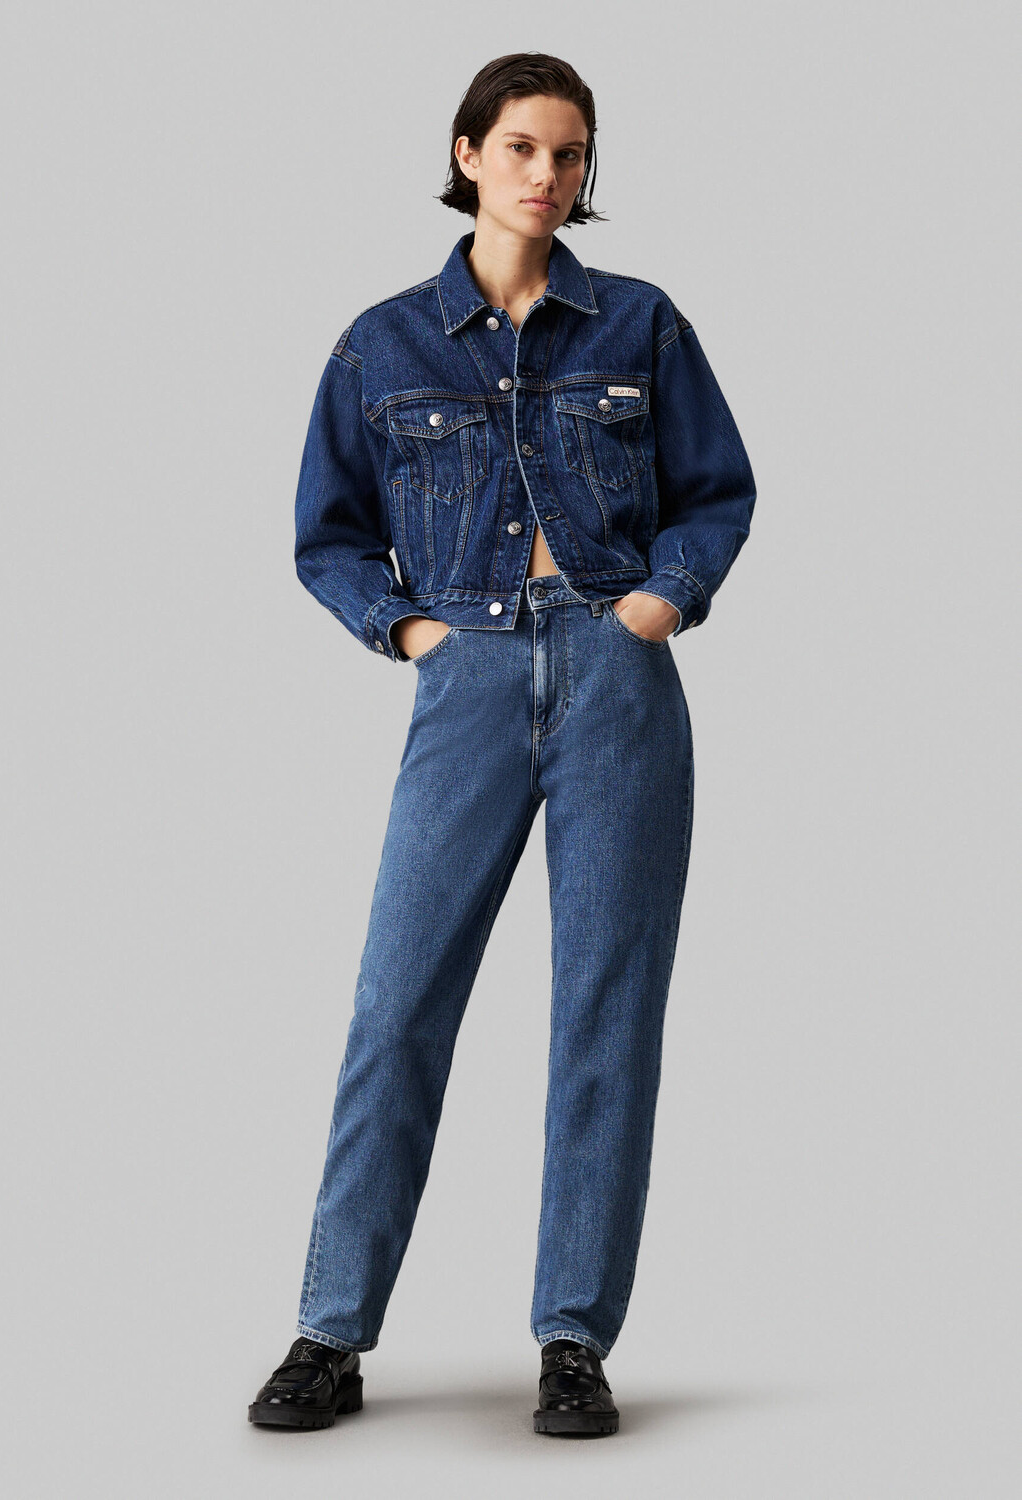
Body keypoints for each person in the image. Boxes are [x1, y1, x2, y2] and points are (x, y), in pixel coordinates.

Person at [248, 52, 756, 1438]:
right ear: (468, 154)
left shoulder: (639, 324)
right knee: (397, 1004)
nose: (547, 174)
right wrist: (412, 632)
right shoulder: (383, 344)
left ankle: (572, 1341)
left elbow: (715, 493)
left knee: (606, 1012)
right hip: (465, 679)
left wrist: (656, 605)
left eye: (570, 153)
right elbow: (327, 534)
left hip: (617, 679)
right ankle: (330, 1331)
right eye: (522, 147)